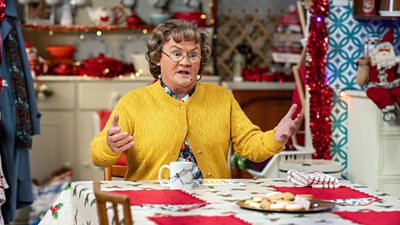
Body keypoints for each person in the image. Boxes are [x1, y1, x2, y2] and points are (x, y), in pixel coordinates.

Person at [90, 19, 301, 180]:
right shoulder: (134, 102)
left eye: (193, 55)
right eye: (176, 53)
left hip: (212, 205)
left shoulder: (222, 98)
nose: (185, 61)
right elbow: (98, 156)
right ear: (157, 58)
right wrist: (109, 145)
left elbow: (250, 146)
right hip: (150, 206)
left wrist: (278, 136)